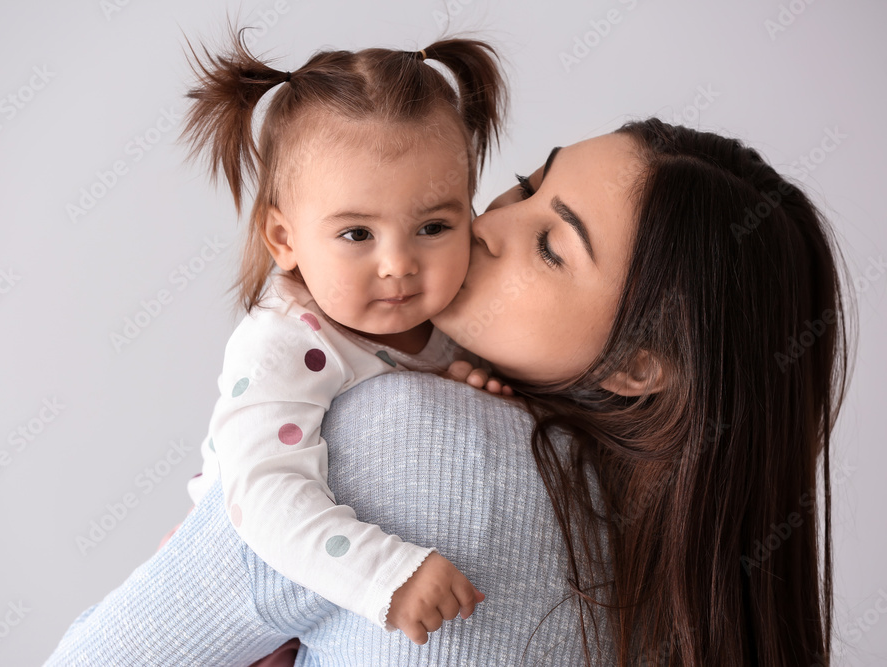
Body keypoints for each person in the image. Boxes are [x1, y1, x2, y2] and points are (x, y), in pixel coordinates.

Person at [46, 117, 846, 666]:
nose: (484, 224)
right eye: (525, 185)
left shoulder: (400, 439)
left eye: (550, 245)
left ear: (637, 364)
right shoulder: (702, 583)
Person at [175, 34, 513, 645]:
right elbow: (265, 492)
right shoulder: (287, 340)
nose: (399, 264)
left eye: (434, 226)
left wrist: (476, 394)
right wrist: (386, 574)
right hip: (243, 588)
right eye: (358, 234)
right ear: (285, 239)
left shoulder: (462, 317)